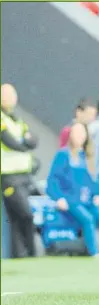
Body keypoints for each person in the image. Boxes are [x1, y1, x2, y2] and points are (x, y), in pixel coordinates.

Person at [46, 123, 99, 256]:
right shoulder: (63, 155)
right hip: (71, 201)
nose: (79, 136)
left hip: (88, 201)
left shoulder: (88, 157)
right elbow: (52, 180)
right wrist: (59, 198)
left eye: (82, 133)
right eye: (76, 133)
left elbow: (96, 180)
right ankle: (94, 253)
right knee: (88, 219)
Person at [1, 83, 38, 258]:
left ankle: (19, 255)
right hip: (8, 176)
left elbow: (33, 140)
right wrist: (24, 144)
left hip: (24, 174)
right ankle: (30, 253)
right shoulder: (2, 119)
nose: (10, 99)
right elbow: (10, 141)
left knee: (16, 218)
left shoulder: (16, 119)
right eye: (6, 95)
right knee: (25, 214)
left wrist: (25, 143)